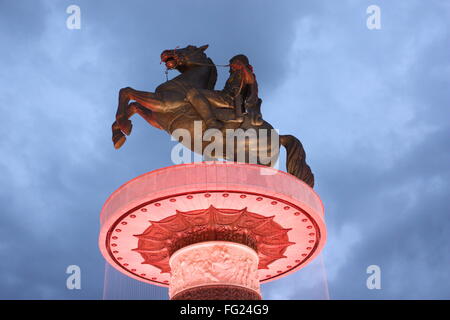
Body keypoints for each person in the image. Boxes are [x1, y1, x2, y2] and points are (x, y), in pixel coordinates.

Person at [186, 54, 263, 129]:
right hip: (223, 96)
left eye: (233, 63)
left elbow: (250, 79)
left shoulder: (246, 74)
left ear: (240, 63)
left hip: (228, 99)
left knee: (194, 93)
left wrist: (243, 67)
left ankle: (212, 122)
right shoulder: (234, 75)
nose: (231, 66)